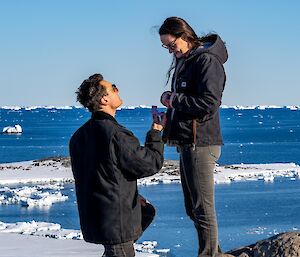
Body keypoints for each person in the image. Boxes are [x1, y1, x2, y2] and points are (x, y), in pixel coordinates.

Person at [69, 73, 165, 257]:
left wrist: (131, 197)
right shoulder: (116, 134)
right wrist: (155, 133)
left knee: (147, 212)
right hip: (116, 223)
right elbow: (150, 163)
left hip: (98, 218)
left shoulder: (79, 136)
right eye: (113, 87)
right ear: (105, 99)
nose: (117, 90)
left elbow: (101, 175)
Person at [158, 17, 228, 257]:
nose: (170, 50)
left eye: (171, 45)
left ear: (184, 35)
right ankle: (213, 251)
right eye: (166, 47)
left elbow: (209, 103)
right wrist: (171, 100)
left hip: (202, 142)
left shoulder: (206, 61)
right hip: (188, 141)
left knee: (202, 207)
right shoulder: (186, 61)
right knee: (193, 207)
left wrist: (174, 99)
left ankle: (209, 254)